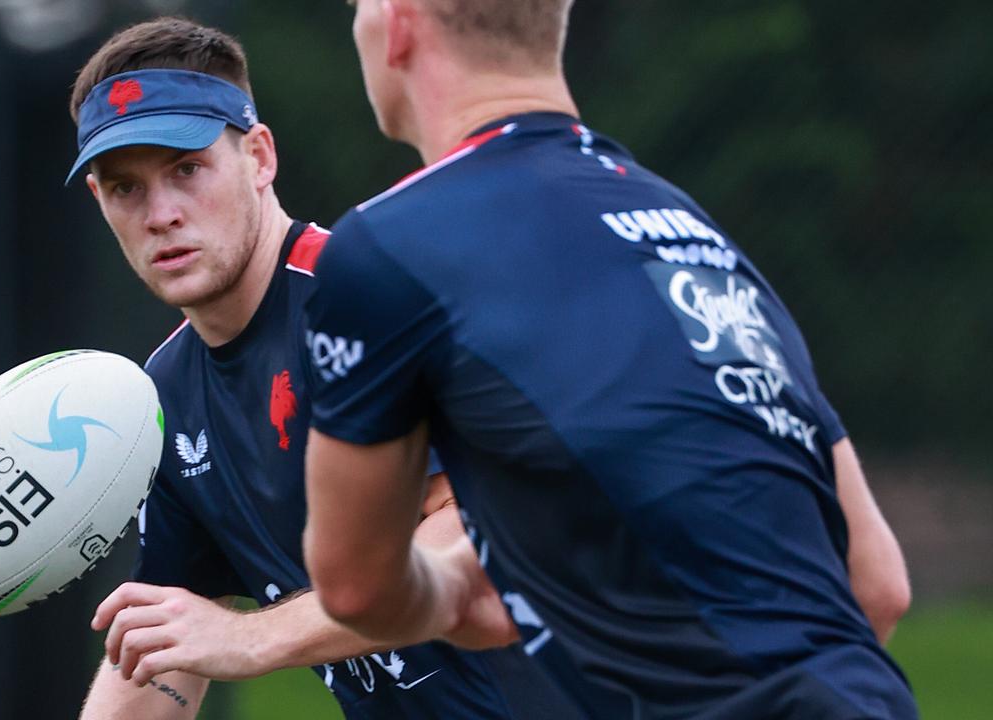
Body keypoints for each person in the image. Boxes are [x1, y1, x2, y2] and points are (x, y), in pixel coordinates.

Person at [301, 1, 918, 718]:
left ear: (399, 22)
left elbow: (355, 588)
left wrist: (449, 590)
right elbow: (877, 586)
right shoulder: (690, 228)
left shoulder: (386, 246)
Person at [64, 17, 570, 719]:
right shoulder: (165, 395)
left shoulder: (367, 298)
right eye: (126, 188)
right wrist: (199, 641)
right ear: (99, 201)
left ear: (260, 157)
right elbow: (165, 654)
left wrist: (251, 637)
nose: (162, 214)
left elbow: (477, 534)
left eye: (186, 169)